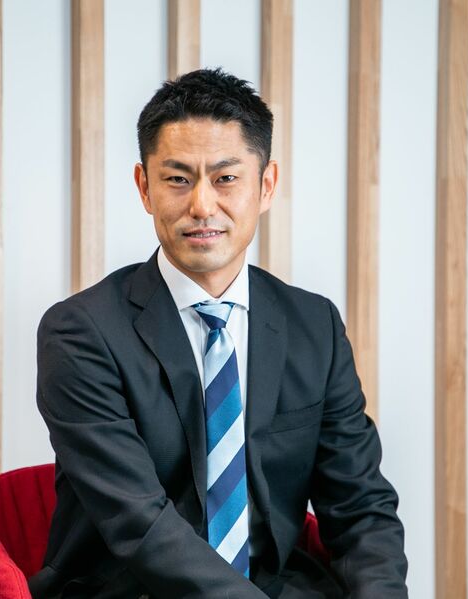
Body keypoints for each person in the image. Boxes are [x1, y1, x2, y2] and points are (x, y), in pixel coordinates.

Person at [30, 68, 408, 599]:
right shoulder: (81, 333)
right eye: (177, 179)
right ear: (144, 187)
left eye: (226, 178)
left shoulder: (313, 327)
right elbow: (139, 524)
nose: (202, 206)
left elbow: (360, 506)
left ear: (266, 185)